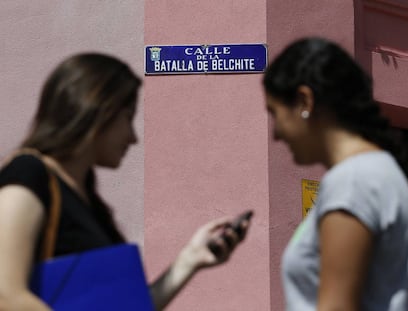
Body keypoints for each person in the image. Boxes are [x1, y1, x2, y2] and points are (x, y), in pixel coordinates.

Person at [0, 53, 252, 311]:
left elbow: (124, 307)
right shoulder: (28, 174)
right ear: (99, 111)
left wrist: (189, 260)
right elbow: (6, 295)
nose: (133, 138)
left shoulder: (87, 199)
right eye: (128, 118)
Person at [263, 37, 408, 310]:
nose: (276, 133)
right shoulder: (375, 173)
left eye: (275, 113)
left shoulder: (353, 182)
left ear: (304, 101)